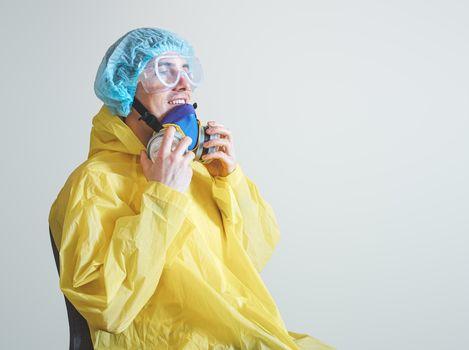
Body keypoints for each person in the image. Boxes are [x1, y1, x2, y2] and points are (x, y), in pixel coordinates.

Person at [49, 27, 334, 350]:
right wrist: (162, 198)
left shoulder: (193, 170)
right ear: (127, 88)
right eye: (165, 71)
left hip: (241, 335)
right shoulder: (94, 182)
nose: (184, 84)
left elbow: (251, 261)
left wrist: (230, 183)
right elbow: (107, 308)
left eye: (186, 70)